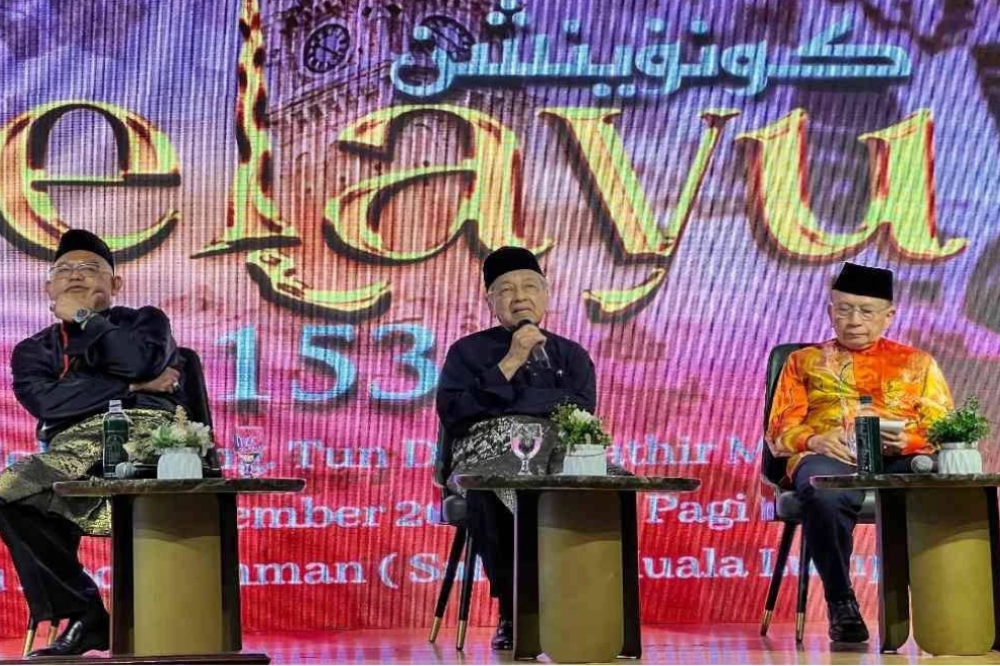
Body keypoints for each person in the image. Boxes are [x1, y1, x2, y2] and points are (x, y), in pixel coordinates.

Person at [1, 229, 186, 657]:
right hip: (72, 450)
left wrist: (86, 317)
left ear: (114, 284)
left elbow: (139, 358)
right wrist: (135, 383)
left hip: (148, 440)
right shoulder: (32, 350)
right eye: (63, 270)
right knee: (9, 491)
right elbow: (49, 404)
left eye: (89, 269)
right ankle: (84, 613)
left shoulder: (145, 322)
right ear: (48, 287)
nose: (75, 276)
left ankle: (176, 621)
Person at [766, 262, 953, 643]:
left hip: (897, 455)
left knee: (950, 484)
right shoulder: (802, 361)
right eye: (844, 308)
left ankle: (949, 605)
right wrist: (815, 440)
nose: (853, 320)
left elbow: (943, 427)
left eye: (866, 311)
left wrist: (913, 442)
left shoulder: (917, 363)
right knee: (821, 488)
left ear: (889, 316)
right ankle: (841, 602)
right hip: (830, 453)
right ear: (829, 311)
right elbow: (778, 431)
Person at [436, 246, 597, 650]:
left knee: (602, 482)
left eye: (529, 286)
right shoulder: (466, 353)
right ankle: (515, 611)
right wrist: (511, 361)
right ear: (491, 302)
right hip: (483, 460)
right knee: (496, 479)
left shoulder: (571, 355)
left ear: (545, 296)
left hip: (553, 458)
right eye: (505, 289)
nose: (519, 296)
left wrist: (507, 402)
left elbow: (580, 412)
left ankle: (587, 606)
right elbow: (455, 415)